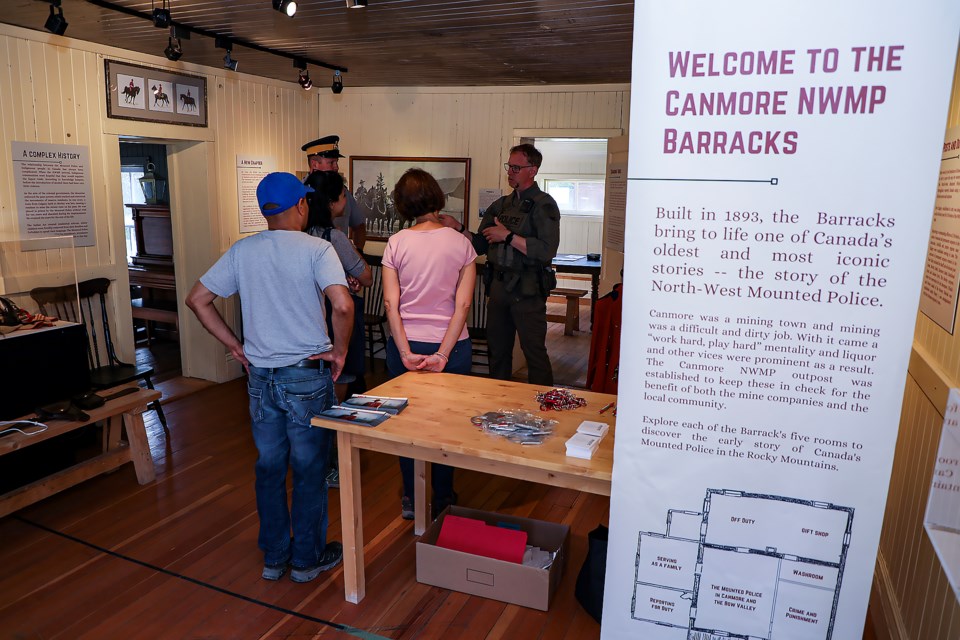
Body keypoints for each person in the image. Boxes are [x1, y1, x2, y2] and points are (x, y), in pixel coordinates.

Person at [185, 172, 352, 583]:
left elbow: (197, 299)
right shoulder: (318, 249)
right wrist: (340, 351)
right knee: (310, 470)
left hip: (260, 378)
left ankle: (275, 557)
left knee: (269, 467)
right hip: (306, 377)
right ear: (300, 205)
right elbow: (343, 306)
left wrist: (234, 345)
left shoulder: (242, 251)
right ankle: (306, 559)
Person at [382, 168, 477, 520]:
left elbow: (391, 304)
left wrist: (406, 352)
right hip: (451, 346)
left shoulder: (397, 243)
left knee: (406, 424)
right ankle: (443, 499)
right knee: (446, 426)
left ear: (402, 204)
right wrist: (442, 353)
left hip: (406, 342)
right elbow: (463, 305)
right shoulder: (461, 243)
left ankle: (411, 496)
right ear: (437, 198)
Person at [439, 143, 560, 385]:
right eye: (509, 166)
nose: (511, 171)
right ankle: (498, 405)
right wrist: (458, 228)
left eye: (517, 167)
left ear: (532, 170)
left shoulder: (544, 204)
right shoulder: (501, 205)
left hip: (527, 291)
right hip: (499, 289)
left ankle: (545, 409)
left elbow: (547, 251)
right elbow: (480, 245)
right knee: (498, 352)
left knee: (534, 353)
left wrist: (508, 236)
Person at [304, 170, 372, 489]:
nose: (347, 201)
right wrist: (351, 276)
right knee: (336, 394)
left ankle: (312, 463)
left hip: (307, 321)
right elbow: (366, 275)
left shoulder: (301, 236)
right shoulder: (335, 239)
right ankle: (331, 467)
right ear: (332, 202)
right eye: (344, 195)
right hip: (336, 319)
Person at [302, 135, 367, 251]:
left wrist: (358, 252)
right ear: (314, 164)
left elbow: (359, 225)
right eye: (331, 162)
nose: (336, 167)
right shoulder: (299, 195)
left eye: (336, 162)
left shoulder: (343, 193)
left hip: (339, 263)